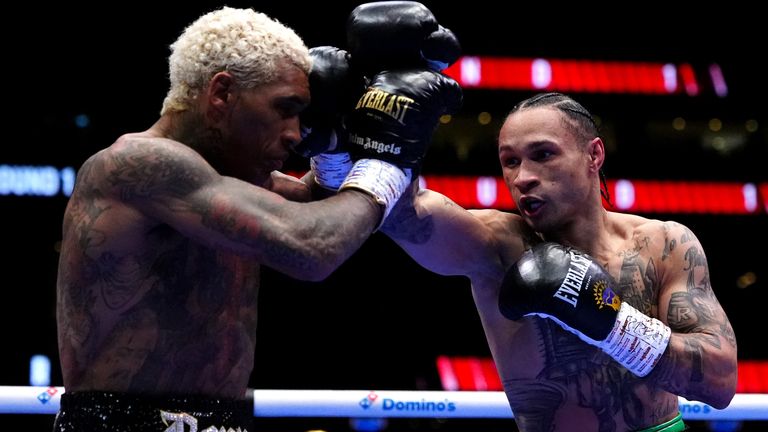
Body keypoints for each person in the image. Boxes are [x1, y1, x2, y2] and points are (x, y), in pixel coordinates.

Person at [53, 6, 450, 431]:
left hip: (225, 419)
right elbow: (313, 246)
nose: (296, 134)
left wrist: (339, 147)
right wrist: (387, 155)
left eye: (304, 115)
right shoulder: (139, 164)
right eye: (285, 109)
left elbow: (336, 213)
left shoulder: (236, 181)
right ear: (222, 93)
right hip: (123, 424)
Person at [380, 92, 738, 431]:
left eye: (543, 154)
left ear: (593, 155)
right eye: (510, 161)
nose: (523, 178)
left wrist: (613, 325)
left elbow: (720, 384)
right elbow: (406, 214)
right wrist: (364, 143)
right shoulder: (495, 245)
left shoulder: (664, 243)